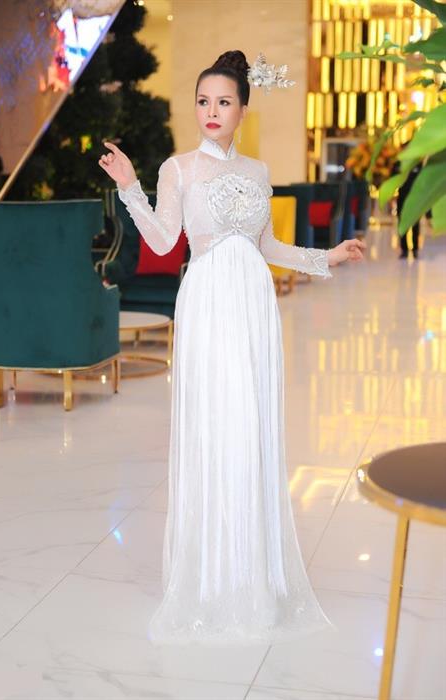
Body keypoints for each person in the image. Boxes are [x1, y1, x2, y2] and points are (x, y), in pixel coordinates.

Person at [99, 50, 365, 646]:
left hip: (254, 307)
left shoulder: (259, 170)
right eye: (203, 101)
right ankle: (210, 577)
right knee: (215, 425)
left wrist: (327, 257)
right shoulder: (178, 168)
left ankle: (253, 576)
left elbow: (268, 245)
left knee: (251, 427)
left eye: (223, 101)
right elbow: (164, 241)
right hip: (209, 302)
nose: (212, 111)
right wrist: (131, 188)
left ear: (243, 108)